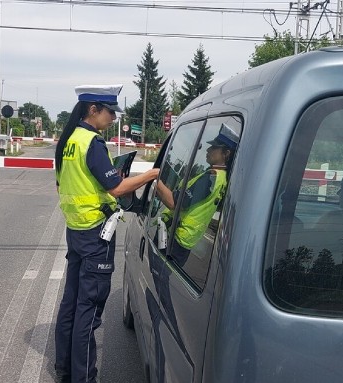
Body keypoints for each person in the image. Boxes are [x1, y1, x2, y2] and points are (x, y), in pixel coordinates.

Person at [53, 84, 159, 383]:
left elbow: (65, 186)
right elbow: (117, 188)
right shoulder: (93, 143)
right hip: (96, 234)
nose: (113, 118)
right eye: (110, 112)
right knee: (89, 309)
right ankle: (83, 377)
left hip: (75, 231)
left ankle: (64, 370)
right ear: (93, 110)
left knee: (71, 303)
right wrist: (152, 174)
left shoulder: (68, 142)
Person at [154, 123, 236, 265]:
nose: (208, 149)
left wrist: (154, 177)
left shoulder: (211, 178)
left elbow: (174, 203)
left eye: (214, 147)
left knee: (160, 278)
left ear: (226, 153)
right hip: (186, 239)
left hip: (176, 237)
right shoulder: (222, 178)